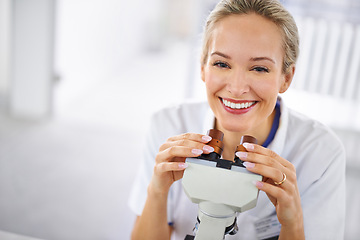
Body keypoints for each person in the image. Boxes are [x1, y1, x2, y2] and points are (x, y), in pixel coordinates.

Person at [128, 0, 346, 239]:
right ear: (202, 67)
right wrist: (157, 192)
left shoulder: (321, 152)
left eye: (259, 68)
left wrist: (292, 223)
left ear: (286, 78)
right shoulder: (168, 124)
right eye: (221, 64)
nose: (237, 88)